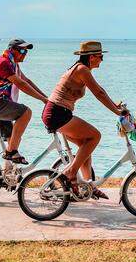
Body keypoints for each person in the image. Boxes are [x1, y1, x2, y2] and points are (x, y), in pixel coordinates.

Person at [41, 40, 127, 199]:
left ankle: (88, 186)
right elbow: (98, 93)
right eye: (100, 56)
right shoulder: (82, 70)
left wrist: (116, 106)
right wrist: (116, 112)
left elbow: (101, 90)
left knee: (85, 146)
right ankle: (70, 172)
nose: (102, 60)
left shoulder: (80, 69)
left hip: (55, 112)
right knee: (95, 136)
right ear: (92, 57)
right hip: (58, 113)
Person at [0, 39, 49, 164]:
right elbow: (20, 84)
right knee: (26, 113)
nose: (24, 53)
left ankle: (8, 177)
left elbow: (27, 81)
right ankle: (11, 152)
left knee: (13, 139)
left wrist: (47, 98)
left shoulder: (13, 64)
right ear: (11, 50)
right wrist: (42, 99)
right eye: (21, 50)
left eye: (26, 51)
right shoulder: (4, 63)